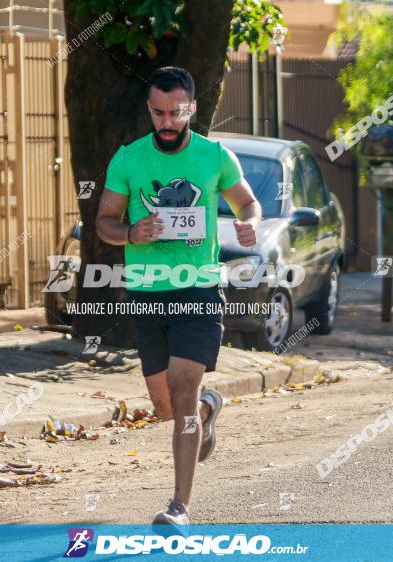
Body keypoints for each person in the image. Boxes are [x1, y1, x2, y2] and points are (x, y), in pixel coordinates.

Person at [96, 66, 262, 529]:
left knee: (182, 390)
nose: (166, 122)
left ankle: (179, 507)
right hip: (147, 292)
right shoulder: (128, 160)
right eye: (158, 113)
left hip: (199, 289)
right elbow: (104, 221)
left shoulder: (214, 157)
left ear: (191, 107)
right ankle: (210, 409)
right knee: (167, 407)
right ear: (149, 109)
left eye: (176, 112)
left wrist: (252, 220)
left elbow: (246, 201)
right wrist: (130, 230)